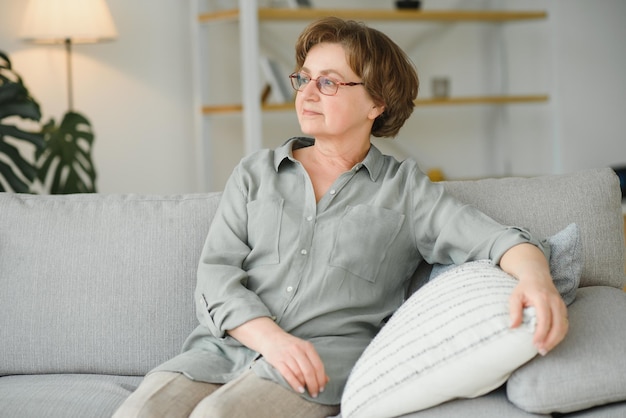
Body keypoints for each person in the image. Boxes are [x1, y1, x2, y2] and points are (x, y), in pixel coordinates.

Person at [113, 16, 568, 418]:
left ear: (376, 103)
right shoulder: (255, 174)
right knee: (141, 411)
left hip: (320, 366)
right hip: (220, 351)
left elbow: (500, 241)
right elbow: (215, 276)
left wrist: (537, 281)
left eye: (328, 82)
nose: (308, 93)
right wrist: (272, 340)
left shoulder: (406, 192)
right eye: (305, 78)